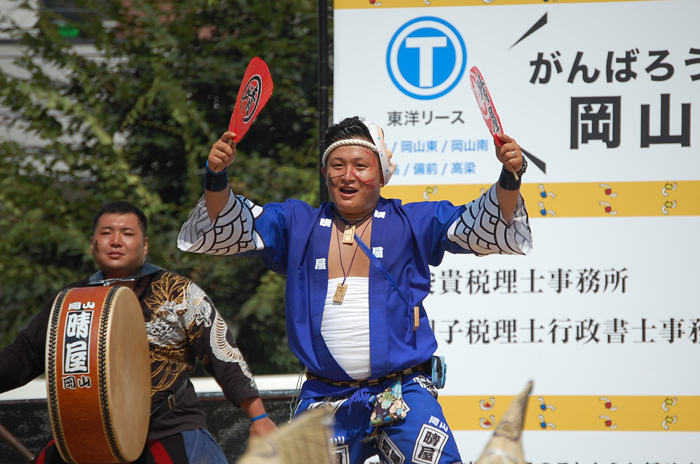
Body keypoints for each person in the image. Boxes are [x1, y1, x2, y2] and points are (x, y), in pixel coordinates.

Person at [178, 117, 532, 464]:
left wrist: (509, 176)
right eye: (337, 165)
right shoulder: (297, 223)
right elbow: (228, 222)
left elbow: (482, 222)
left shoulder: (413, 222)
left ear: (381, 174)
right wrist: (216, 176)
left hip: (402, 393)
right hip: (325, 397)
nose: (348, 176)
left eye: (360, 165)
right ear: (325, 172)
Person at [0, 201, 276, 464]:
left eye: (127, 233)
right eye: (106, 233)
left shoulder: (178, 293)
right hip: (89, 436)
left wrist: (258, 418)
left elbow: (223, 355)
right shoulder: (72, 301)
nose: (116, 241)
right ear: (92, 244)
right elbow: (24, 356)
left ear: (144, 245)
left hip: (167, 428)